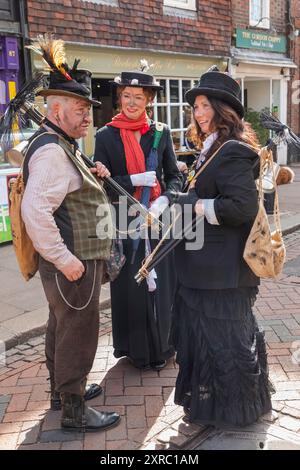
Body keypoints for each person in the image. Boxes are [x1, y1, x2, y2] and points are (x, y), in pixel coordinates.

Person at [165, 68, 273, 427]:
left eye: (203, 105)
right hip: (207, 269)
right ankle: (212, 405)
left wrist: (194, 204)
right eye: (195, 106)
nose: (197, 113)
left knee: (225, 341)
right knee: (210, 340)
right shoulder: (212, 147)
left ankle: (234, 409)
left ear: (222, 109)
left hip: (221, 272)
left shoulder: (232, 150)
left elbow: (240, 207)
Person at [21, 42, 120, 432]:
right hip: (73, 262)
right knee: (78, 330)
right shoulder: (51, 152)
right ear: (58, 110)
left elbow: (62, 192)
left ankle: (62, 393)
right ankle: (74, 409)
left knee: (61, 325)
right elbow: (34, 212)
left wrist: (90, 175)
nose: (88, 119)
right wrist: (64, 260)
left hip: (76, 259)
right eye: (82, 112)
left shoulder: (62, 145)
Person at [94, 68, 182, 370]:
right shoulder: (104, 135)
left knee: (162, 285)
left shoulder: (160, 132)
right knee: (132, 287)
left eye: (138, 97)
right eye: (126, 96)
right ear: (120, 98)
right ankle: (136, 349)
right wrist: (132, 178)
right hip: (124, 221)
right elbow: (101, 184)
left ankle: (164, 347)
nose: (131, 102)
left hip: (157, 220)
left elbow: (173, 176)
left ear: (149, 100)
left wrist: (163, 200)